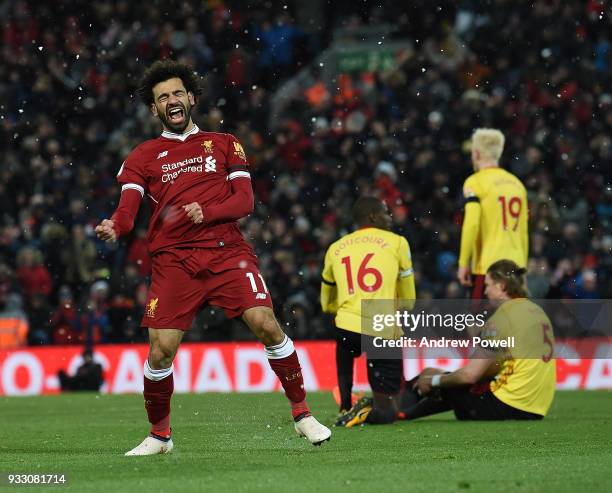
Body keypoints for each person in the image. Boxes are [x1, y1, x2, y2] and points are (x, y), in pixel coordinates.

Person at [95, 60, 330, 455]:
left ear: (191, 98)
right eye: (162, 97)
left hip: (227, 252)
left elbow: (245, 201)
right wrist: (115, 227)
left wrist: (209, 212)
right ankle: (160, 436)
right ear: (154, 110)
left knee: (266, 323)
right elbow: (128, 207)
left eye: (176, 93)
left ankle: (303, 415)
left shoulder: (223, 143)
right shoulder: (143, 155)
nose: (171, 100)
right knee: (160, 350)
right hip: (174, 261)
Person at [396, 259, 556, 421]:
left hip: (506, 406)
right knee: (451, 383)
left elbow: (469, 376)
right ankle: (400, 411)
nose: (486, 292)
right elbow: (497, 366)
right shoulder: (537, 312)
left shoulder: (502, 318)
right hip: (535, 409)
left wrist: (434, 380)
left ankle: (392, 410)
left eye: (488, 285)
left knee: (435, 380)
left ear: (501, 287)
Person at [320, 197, 416, 427]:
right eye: (386, 212)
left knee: (343, 340)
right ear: (373, 217)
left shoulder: (336, 247)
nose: (390, 217)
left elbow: (326, 300)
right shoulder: (398, 243)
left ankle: (345, 404)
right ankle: (365, 410)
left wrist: (339, 310)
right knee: (390, 411)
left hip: (346, 327)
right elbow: (409, 300)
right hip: (381, 330)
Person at [457, 129, 528, 300]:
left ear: (476, 153)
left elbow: (472, 223)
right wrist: (523, 269)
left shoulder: (475, 181)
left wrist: (463, 262)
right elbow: (524, 233)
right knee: (514, 321)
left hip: (489, 267)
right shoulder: (517, 184)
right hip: (516, 268)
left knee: (479, 324)